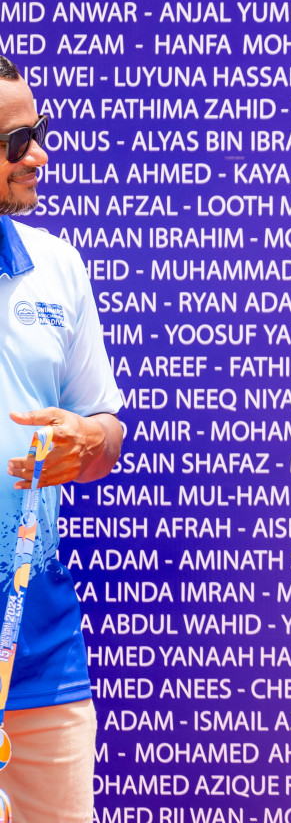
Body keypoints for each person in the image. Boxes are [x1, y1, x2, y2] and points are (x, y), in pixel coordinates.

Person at [0, 55, 126, 823]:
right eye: (18, 141)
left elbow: (105, 426)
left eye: (39, 134)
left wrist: (92, 440)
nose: (41, 156)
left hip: (41, 646)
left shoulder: (57, 267)